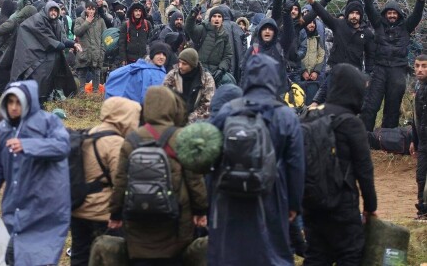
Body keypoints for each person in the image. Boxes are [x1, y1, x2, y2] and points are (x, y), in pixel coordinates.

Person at [208, 54, 304, 265]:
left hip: (229, 194)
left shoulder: (227, 111)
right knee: (271, 251)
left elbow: (210, 157)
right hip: (271, 193)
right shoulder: (286, 116)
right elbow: (296, 164)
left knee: (231, 252)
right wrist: (294, 205)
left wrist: (210, 198)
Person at [108, 86, 208, 266]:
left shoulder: (132, 139)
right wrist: (200, 211)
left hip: (138, 218)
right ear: (172, 107)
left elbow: (121, 181)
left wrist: (115, 213)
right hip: (175, 220)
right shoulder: (182, 137)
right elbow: (195, 180)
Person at [0, 80, 71, 266]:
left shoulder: (48, 122)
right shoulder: (2, 131)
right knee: (15, 255)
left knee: (39, 258)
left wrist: (28, 145)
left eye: (18, 102)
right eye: (9, 102)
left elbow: (62, 146)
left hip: (46, 207)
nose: (13, 107)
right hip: (17, 207)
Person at [302, 63, 377, 265]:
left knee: (316, 255)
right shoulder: (352, 123)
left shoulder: (308, 118)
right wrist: (371, 206)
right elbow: (364, 170)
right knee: (350, 254)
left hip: (311, 202)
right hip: (342, 204)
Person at [71, 97, 141, 266]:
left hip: (78, 209)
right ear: (124, 117)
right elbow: (121, 183)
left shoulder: (87, 133)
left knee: (80, 255)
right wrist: (119, 214)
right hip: (103, 214)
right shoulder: (116, 144)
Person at [357, 0, 426, 130]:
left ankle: (387, 138)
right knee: (370, 105)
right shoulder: (378, 24)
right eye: (389, 13)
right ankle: (364, 137)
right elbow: (369, 9)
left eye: (395, 13)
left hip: (398, 70)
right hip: (380, 69)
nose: (392, 15)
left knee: (393, 107)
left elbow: (417, 15)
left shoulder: (406, 27)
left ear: (399, 15)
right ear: (385, 14)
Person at [302, 0, 375, 105]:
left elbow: (370, 56)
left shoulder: (366, 33)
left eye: (357, 13)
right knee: (330, 103)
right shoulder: (339, 25)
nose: (354, 16)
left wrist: (367, 76)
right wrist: (313, 2)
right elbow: (324, 14)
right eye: (352, 13)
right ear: (347, 14)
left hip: (354, 75)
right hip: (336, 72)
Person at [10, 1, 80, 104]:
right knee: (38, 88)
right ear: (46, 10)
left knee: (48, 87)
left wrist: (73, 44)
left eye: (55, 11)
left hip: (50, 61)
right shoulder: (38, 20)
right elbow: (49, 41)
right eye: (51, 10)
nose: (53, 13)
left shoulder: (57, 23)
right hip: (37, 60)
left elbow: (62, 40)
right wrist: (62, 45)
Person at [163, 48, 216, 123]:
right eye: (179, 62)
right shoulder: (173, 74)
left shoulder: (206, 79)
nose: (180, 66)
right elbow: (163, 96)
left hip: (197, 122)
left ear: (192, 65)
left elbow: (207, 105)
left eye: (184, 64)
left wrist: (189, 119)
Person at [186, 5, 235, 86]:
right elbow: (189, 28)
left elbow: (227, 55)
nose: (217, 19)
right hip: (201, 68)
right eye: (214, 16)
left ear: (222, 20)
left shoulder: (225, 35)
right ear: (210, 19)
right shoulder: (202, 29)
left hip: (216, 70)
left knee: (230, 81)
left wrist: (221, 69)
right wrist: (193, 15)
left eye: (219, 16)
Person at [74, 1, 107, 92]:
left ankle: (95, 94)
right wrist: (87, 22)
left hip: (97, 53)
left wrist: (102, 51)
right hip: (83, 52)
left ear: (96, 10)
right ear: (86, 9)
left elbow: (105, 36)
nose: (91, 11)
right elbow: (77, 32)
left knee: (96, 74)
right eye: (89, 9)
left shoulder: (100, 21)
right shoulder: (79, 20)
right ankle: (81, 95)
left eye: (93, 9)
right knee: (82, 74)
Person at [412, 55, 427, 217]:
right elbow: (416, 117)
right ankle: (422, 210)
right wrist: (413, 140)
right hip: (423, 141)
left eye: (424, 66)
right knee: (421, 176)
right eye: (417, 66)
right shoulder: (418, 86)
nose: (420, 70)